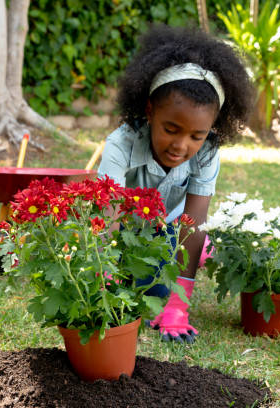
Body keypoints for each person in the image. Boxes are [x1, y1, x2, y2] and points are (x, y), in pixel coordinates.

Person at [97, 24, 252, 343]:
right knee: (133, 291)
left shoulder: (208, 151)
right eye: (171, 129)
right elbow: (107, 220)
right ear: (150, 110)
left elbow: (193, 223)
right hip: (126, 232)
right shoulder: (120, 145)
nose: (181, 145)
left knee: (157, 292)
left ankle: (199, 253)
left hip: (171, 229)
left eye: (196, 135)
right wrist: (106, 285)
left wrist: (177, 305)